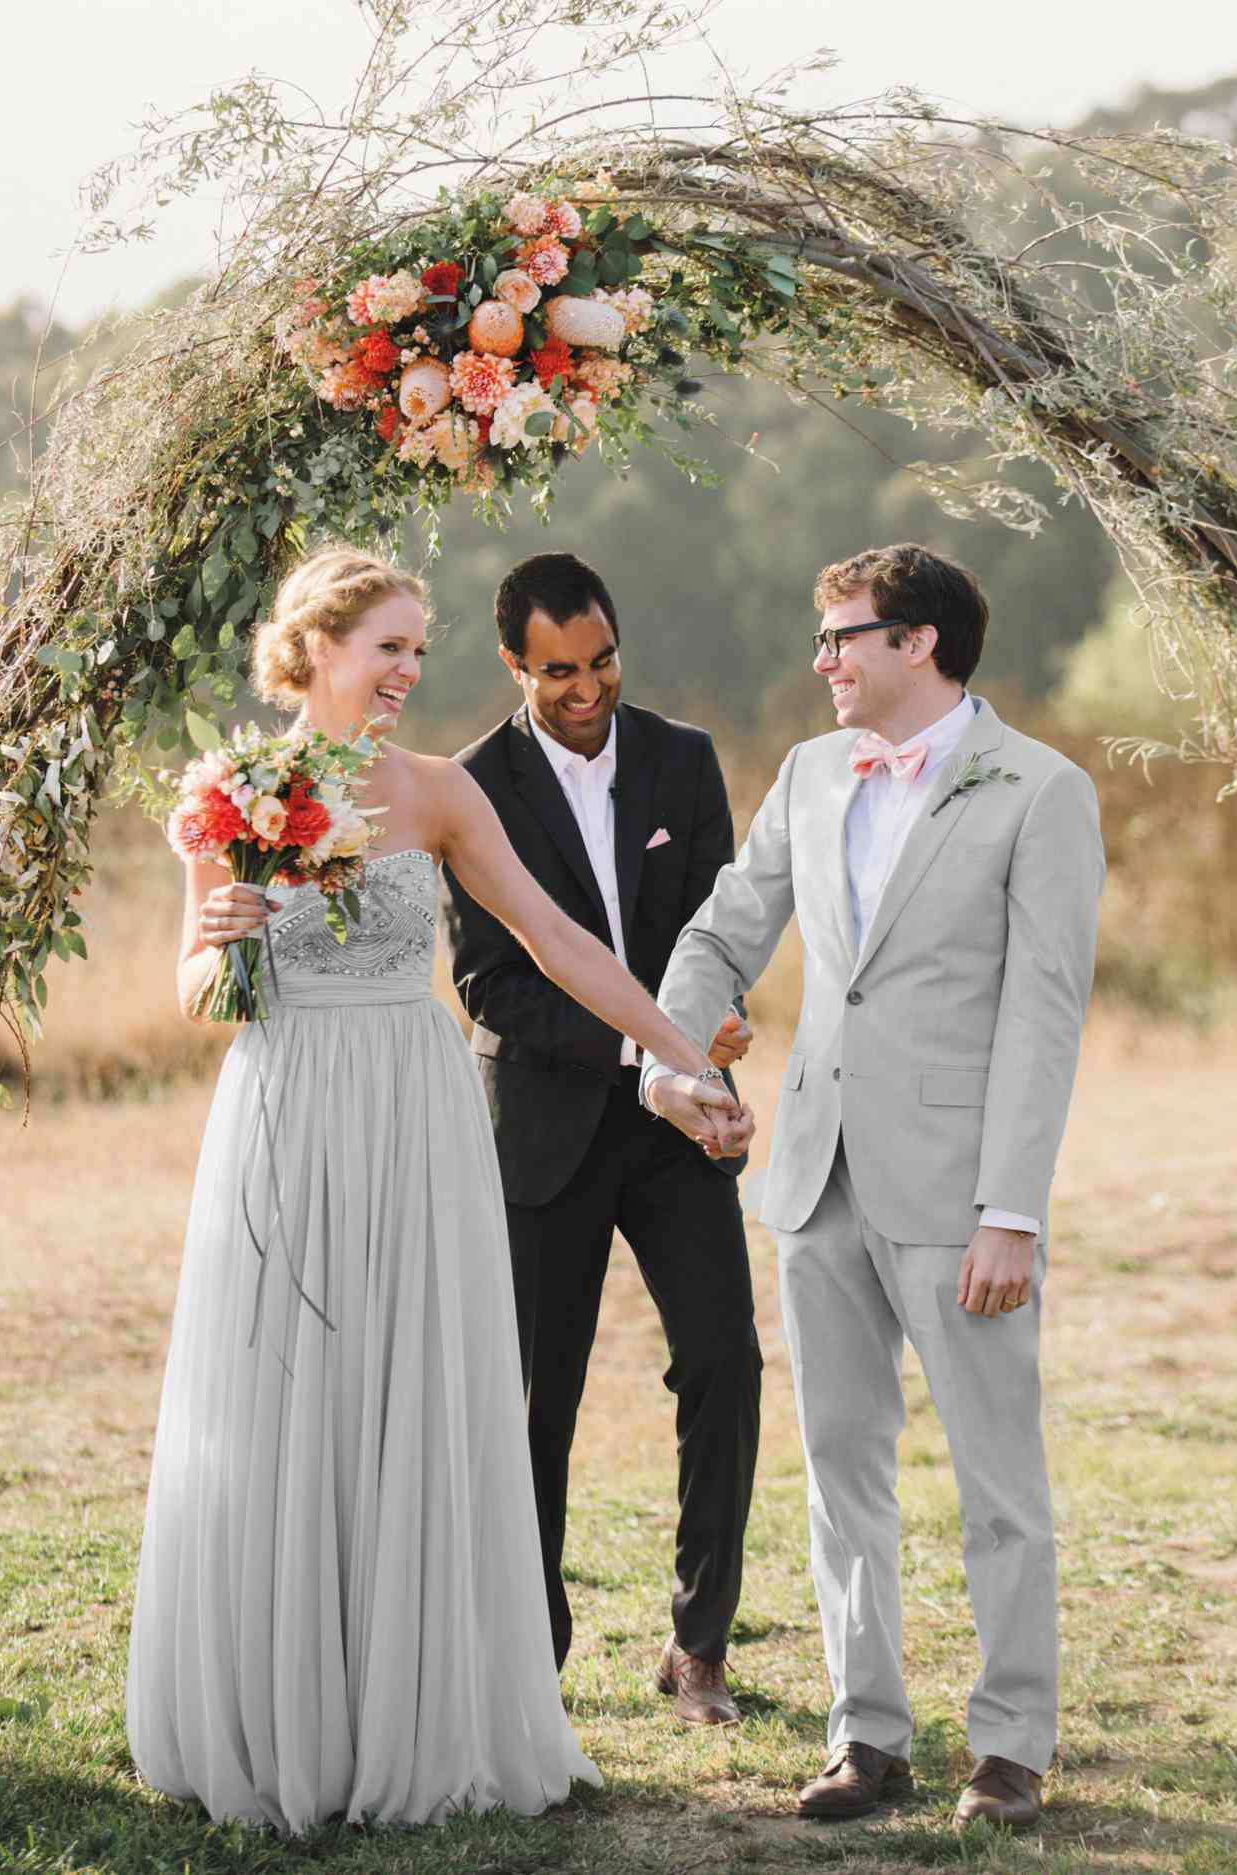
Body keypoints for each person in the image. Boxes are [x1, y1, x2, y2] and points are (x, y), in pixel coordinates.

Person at [125, 545, 743, 1833]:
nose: (409, 669)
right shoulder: (227, 791)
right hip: (290, 1110)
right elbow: (193, 993)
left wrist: (679, 1053)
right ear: (316, 649)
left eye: (419, 647)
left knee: (412, 1391)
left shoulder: (442, 791)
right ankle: (289, 1706)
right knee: (292, 1392)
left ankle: (416, 1705)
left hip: (415, 1111)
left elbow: (557, 943)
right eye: (388, 647)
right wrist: (220, 943)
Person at [643, 543, 1104, 1831]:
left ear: (919, 642)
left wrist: (1011, 1209)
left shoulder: (1041, 789)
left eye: (842, 636)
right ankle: (867, 1734)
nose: (823, 661)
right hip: (816, 1178)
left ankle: (1009, 1744)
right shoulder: (810, 771)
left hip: (961, 1194)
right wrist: (672, 1060)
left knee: (997, 1478)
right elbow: (723, 931)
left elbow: (1045, 1015)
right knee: (841, 1469)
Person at [439, 551, 762, 1725]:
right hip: (544, 1126)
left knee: (724, 1362)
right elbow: (491, 986)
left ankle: (700, 1644)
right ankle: (536, 1660)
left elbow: (716, 934)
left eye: (603, 660)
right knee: (538, 1399)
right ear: (513, 665)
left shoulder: (685, 758)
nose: (587, 689)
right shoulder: (471, 787)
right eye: (558, 671)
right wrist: (651, 1055)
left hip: (680, 1126)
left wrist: (715, 1032)